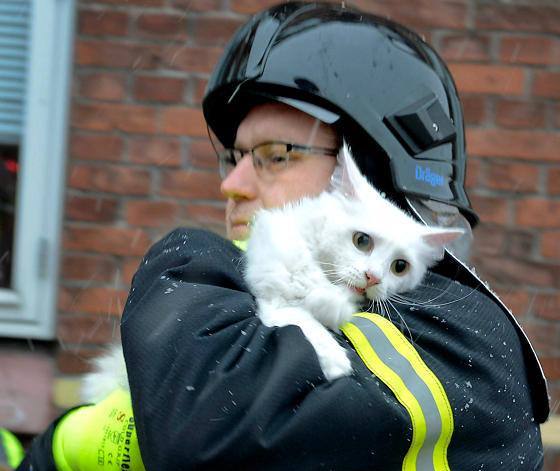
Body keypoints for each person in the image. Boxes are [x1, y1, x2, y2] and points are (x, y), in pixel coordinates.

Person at [17, 2, 549, 470]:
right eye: (232, 158)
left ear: (366, 176)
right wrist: (58, 448)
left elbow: (204, 431)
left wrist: (189, 258)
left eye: (275, 156)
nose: (231, 185)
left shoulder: (454, 335)